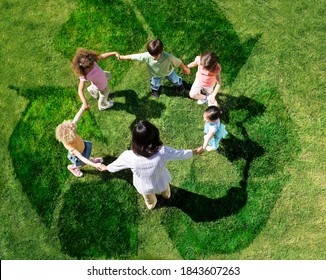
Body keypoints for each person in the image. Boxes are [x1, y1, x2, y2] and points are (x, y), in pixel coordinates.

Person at [98, 121, 196, 209]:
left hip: (144, 186)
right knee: (166, 191)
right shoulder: (162, 151)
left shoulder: (129, 156)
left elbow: (117, 165)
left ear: (135, 140)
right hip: (161, 179)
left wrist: (107, 167)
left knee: (149, 200)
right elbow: (180, 154)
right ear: (155, 136)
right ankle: (166, 195)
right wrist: (194, 152)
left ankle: (151, 204)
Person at [117, 39, 190, 98]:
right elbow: (134, 56)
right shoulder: (147, 55)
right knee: (154, 83)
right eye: (151, 55)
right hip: (155, 74)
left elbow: (179, 62)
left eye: (155, 55)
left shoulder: (168, 57)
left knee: (175, 79)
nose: (153, 57)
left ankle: (180, 85)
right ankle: (155, 90)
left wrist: (185, 68)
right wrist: (121, 57)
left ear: (161, 51)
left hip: (168, 72)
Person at [55, 105, 104, 177]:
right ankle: (72, 168)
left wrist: (82, 108)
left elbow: (75, 120)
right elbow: (82, 158)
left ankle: (91, 159)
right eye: (74, 132)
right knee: (81, 164)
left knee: (88, 156)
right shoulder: (71, 147)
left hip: (83, 147)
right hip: (79, 156)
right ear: (70, 138)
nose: (75, 129)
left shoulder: (70, 129)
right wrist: (95, 165)